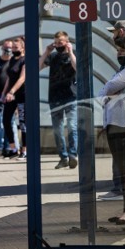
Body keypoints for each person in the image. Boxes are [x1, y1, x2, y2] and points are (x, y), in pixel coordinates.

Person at [98, 43, 125, 226]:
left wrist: (108, 93)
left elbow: (110, 87)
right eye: (118, 50)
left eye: (123, 50)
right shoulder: (122, 69)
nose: (119, 53)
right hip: (116, 125)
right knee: (124, 172)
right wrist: (107, 94)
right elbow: (106, 92)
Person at [39, 31, 78, 169]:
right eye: (56, 43)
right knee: (57, 129)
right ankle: (63, 157)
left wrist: (70, 51)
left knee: (72, 126)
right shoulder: (53, 56)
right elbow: (37, 67)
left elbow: (77, 67)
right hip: (55, 97)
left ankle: (73, 154)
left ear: (67, 42)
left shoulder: (72, 55)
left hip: (70, 96)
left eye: (60, 42)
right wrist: (46, 51)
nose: (58, 45)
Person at [1, 36, 26, 160]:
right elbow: (9, 78)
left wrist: (11, 91)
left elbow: (22, 78)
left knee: (23, 123)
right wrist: (4, 92)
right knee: (6, 120)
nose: (13, 49)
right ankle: (13, 148)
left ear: (22, 47)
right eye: (13, 47)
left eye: (16, 47)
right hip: (10, 95)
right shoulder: (11, 60)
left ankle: (24, 151)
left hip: (22, 95)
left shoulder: (25, 60)